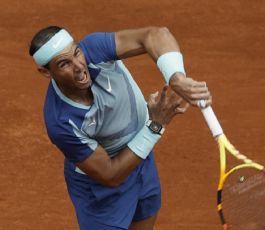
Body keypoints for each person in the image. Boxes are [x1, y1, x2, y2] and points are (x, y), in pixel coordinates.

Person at [28, 26, 211, 230]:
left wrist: (177, 78)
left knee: (145, 218)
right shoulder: (61, 121)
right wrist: (155, 126)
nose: (79, 66)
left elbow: (155, 35)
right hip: (101, 189)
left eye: (77, 52)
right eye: (64, 64)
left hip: (141, 158)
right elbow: (110, 175)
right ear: (46, 72)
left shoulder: (94, 49)